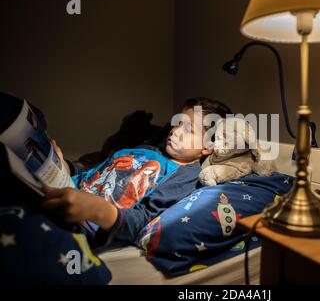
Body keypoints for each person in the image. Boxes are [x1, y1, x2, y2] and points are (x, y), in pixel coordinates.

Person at [42, 97, 232, 247]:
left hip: (83, 222)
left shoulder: (185, 175)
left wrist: (97, 209)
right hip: (63, 184)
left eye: (189, 129)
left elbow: (142, 220)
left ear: (207, 147)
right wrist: (65, 167)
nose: (175, 131)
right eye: (177, 122)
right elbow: (100, 170)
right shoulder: (149, 149)